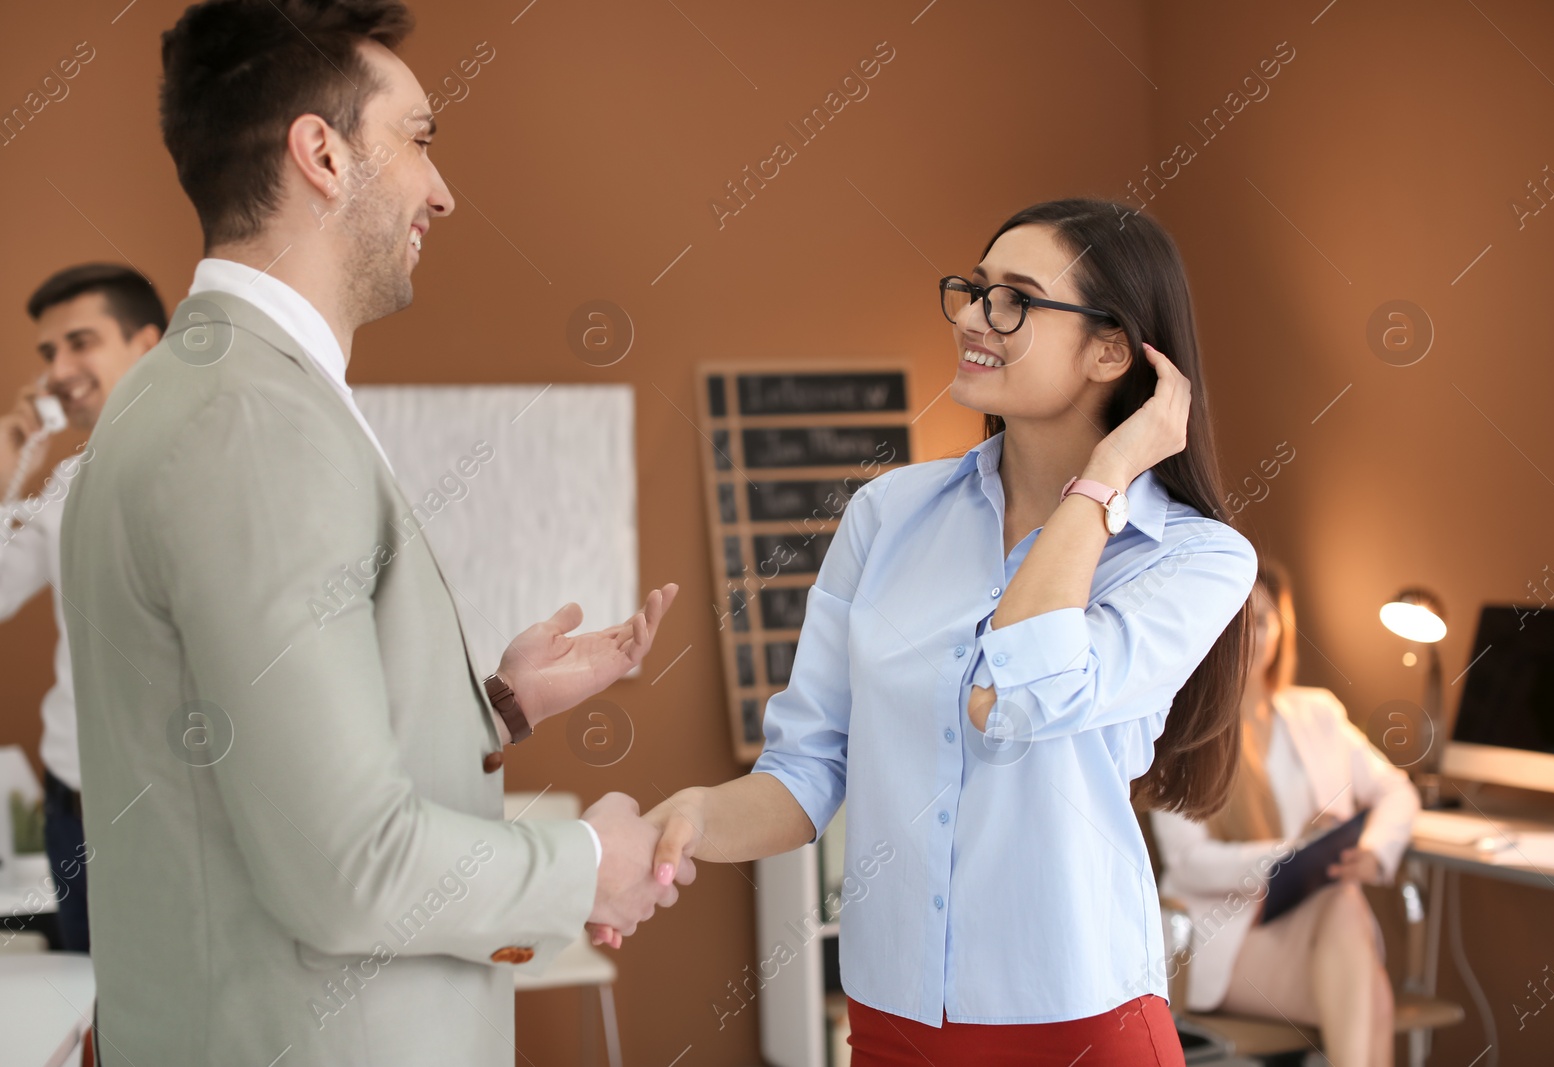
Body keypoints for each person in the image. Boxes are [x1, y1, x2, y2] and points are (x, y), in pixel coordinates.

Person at [59, 3, 683, 1064]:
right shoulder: (252, 424)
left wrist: (494, 705)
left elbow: (238, 757)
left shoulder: (199, 396)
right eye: (419, 139)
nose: (441, 189)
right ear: (321, 153)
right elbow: (345, 868)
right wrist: (586, 862)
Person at [632, 198, 1258, 1065]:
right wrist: (693, 817)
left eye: (1015, 298)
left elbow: (1016, 693)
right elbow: (811, 766)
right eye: (973, 289)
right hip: (895, 1022)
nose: (972, 315)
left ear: (1109, 350)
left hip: (1079, 1025)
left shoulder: (1196, 558)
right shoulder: (887, 515)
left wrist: (1107, 476)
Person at [1150, 560, 1420, 1067]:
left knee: (1342, 904)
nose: (1255, 634)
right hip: (1223, 937)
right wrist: (1291, 855)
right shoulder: (1181, 731)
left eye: (1267, 619)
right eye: (1240, 618)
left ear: (1282, 631)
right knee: (1370, 995)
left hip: (1322, 931)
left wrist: (1374, 853)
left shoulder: (1317, 712)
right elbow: (1187, 864)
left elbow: (1397, 791)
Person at [0, 263, 167, 952]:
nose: (59, 368)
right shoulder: (66, 487)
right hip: (74, 806)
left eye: (81, 342)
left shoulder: (207, 468)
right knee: (93, 1010)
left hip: (167, 809)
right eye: (49, 352)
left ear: (147, 345)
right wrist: (7, 472)